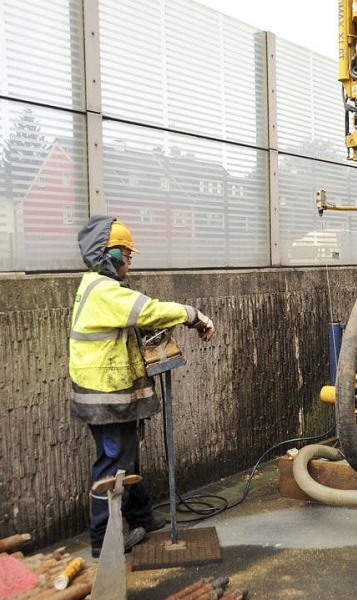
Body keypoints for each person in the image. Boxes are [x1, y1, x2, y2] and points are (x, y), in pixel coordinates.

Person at [68, 215, 215, 558]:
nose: (131, 260)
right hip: (104, 394)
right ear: (110, 255)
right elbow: (147, 311)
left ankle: (139, 517)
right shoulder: (102, 289)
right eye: (126, 254)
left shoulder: (104, 288)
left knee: (127, 458)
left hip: (112, 390)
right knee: (112, 461)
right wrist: (193, 315)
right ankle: (103, 538)